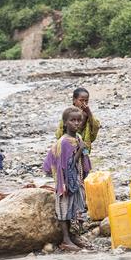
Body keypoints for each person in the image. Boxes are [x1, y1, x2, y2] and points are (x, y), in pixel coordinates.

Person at [44, 107, 91, 251]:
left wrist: (82, 150)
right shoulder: (64, 142)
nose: (76, 123)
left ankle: (74, 236)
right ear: (65, 123)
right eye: (72, 120)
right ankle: (65, 240)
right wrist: (79, 151)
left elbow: (81, 158)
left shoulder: (78, 138)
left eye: (79, 120)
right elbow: (66, 164)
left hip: (76, 178)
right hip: (64, 181)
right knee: (64, 207)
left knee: (77, 206)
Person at [56, 87, 100, 152]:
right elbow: (60, 132)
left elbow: (96, 126)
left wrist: (89, 113)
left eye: (86, 101)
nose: (84, 103)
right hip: (68, 147)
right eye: (81, 100)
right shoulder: (69, 113)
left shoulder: (88, 115)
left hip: (84, 148)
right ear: (74, 100)